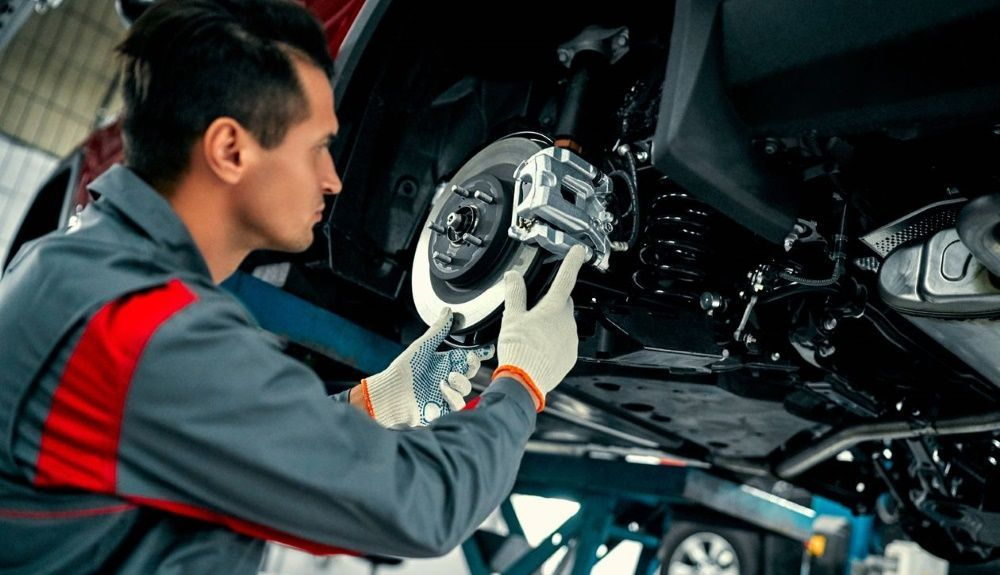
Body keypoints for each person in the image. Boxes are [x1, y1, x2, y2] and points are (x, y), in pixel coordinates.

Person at [0, 0, 586, 572]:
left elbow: (226, 451)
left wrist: (373, 402)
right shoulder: (139, 325)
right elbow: (421, 507)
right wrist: (521, 384)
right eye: (318, 148)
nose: (334, 179)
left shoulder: (78, 271)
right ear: (230, 150)